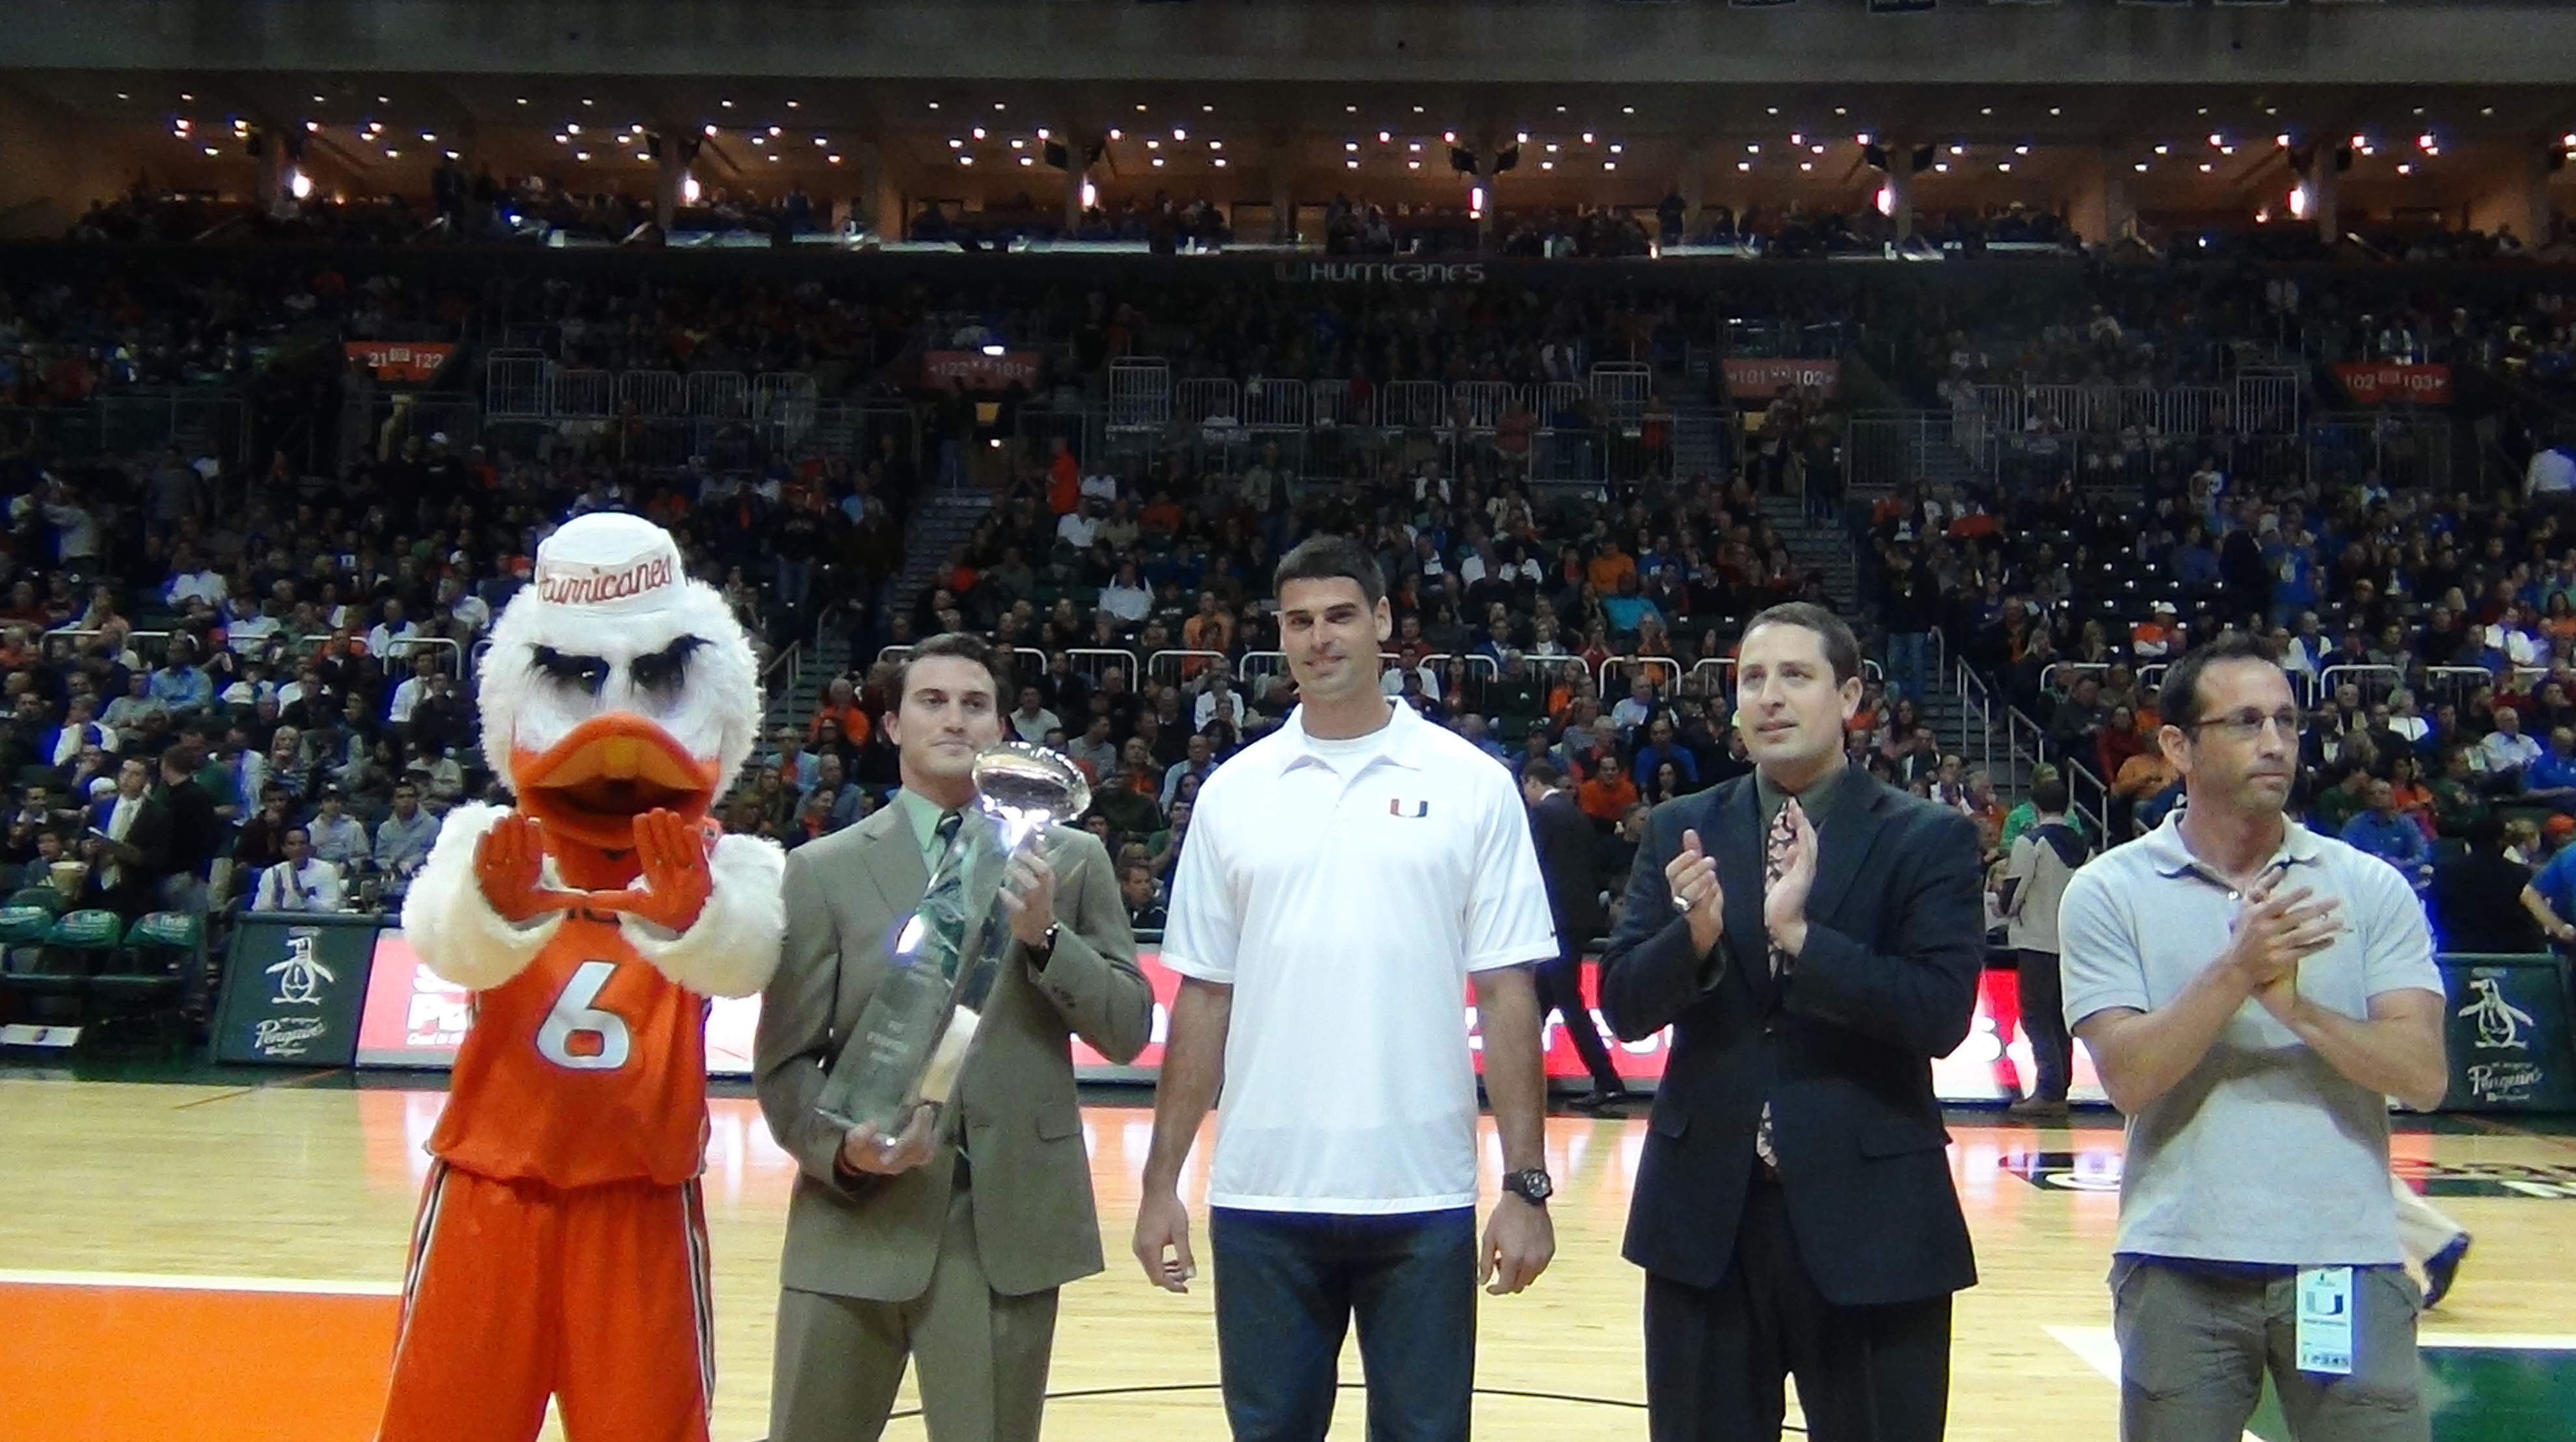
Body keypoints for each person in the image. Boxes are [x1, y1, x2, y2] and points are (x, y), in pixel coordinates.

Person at [1133, 535, 1560, 1442]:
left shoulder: (1473, 786)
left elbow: (1508, 992)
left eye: (1338, 615)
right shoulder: (1232, 793)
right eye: (1298, 621)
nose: (1318, 638)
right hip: (1259, 1199)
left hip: (1423, 1199)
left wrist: (1526, 1187)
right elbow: (1202, 1000)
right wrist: (1161, 1183)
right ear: (1278, 636)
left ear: (1383, 623)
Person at [1596, 600, 1983, 1442]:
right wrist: (1693, 936)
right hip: (1706, 1224)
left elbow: (1941, 1014)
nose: (1770, 696)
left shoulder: (1929, 839)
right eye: (1752, 679)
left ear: (1849, 698)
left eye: (1795, 676)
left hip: (1877, 1220)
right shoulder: (1679, 826)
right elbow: (1623, 1003)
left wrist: (1800, 937)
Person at [757, 632, 1151, 1442]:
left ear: (1001, 728)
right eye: (931, 702)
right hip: (854, 1214)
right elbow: (786, 1063)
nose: (955, 720)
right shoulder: (823, 870)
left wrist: (1047, 938)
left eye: (975, 705)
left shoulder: (1071, 862)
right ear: (893, 724)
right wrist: (843, 1150)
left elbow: (1127, 1027)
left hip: (1004, 1223)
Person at [2058, 632, 2448, 1442]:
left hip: (2344, 1261)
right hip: (2178, 1263)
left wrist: (2299, 1010)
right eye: (2243, 723)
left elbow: (2423, 1077)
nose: (2274, 744)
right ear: (2177, 746)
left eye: (2285, 722)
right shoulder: (2108, 891)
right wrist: (2236, 971)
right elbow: (2129, 1078)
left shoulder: (2369, 886)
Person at [1521, 756, 1631, 1112]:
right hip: (1576, 917)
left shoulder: (1543, 815)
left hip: (1556, 921)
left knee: (1567, 1001)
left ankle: (1608, 1080)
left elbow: (1532, 865)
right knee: (1542, 1002)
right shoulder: (1577, 815)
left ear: (1532, 783)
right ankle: (1515, 1078)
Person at [1998, 775, 2087, 1119]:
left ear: (2034, 807)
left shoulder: (2029, 842)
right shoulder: (2083, 845)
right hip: (2071, 944)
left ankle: (2048, 1090)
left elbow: (2014, 891)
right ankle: (2059, 1087)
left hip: (2035, 941)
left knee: (2036, 1018)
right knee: (2060, 1019)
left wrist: (2004, 910)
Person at [250, 826, 345, 912]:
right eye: (292, 844)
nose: (298, 848)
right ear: (284, 849)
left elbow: (331, 909)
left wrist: (305, 897)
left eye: (302, 843)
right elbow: (259, 909)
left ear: (310, 847)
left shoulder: (327, 870)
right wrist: (274, 903)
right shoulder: (272, 873)